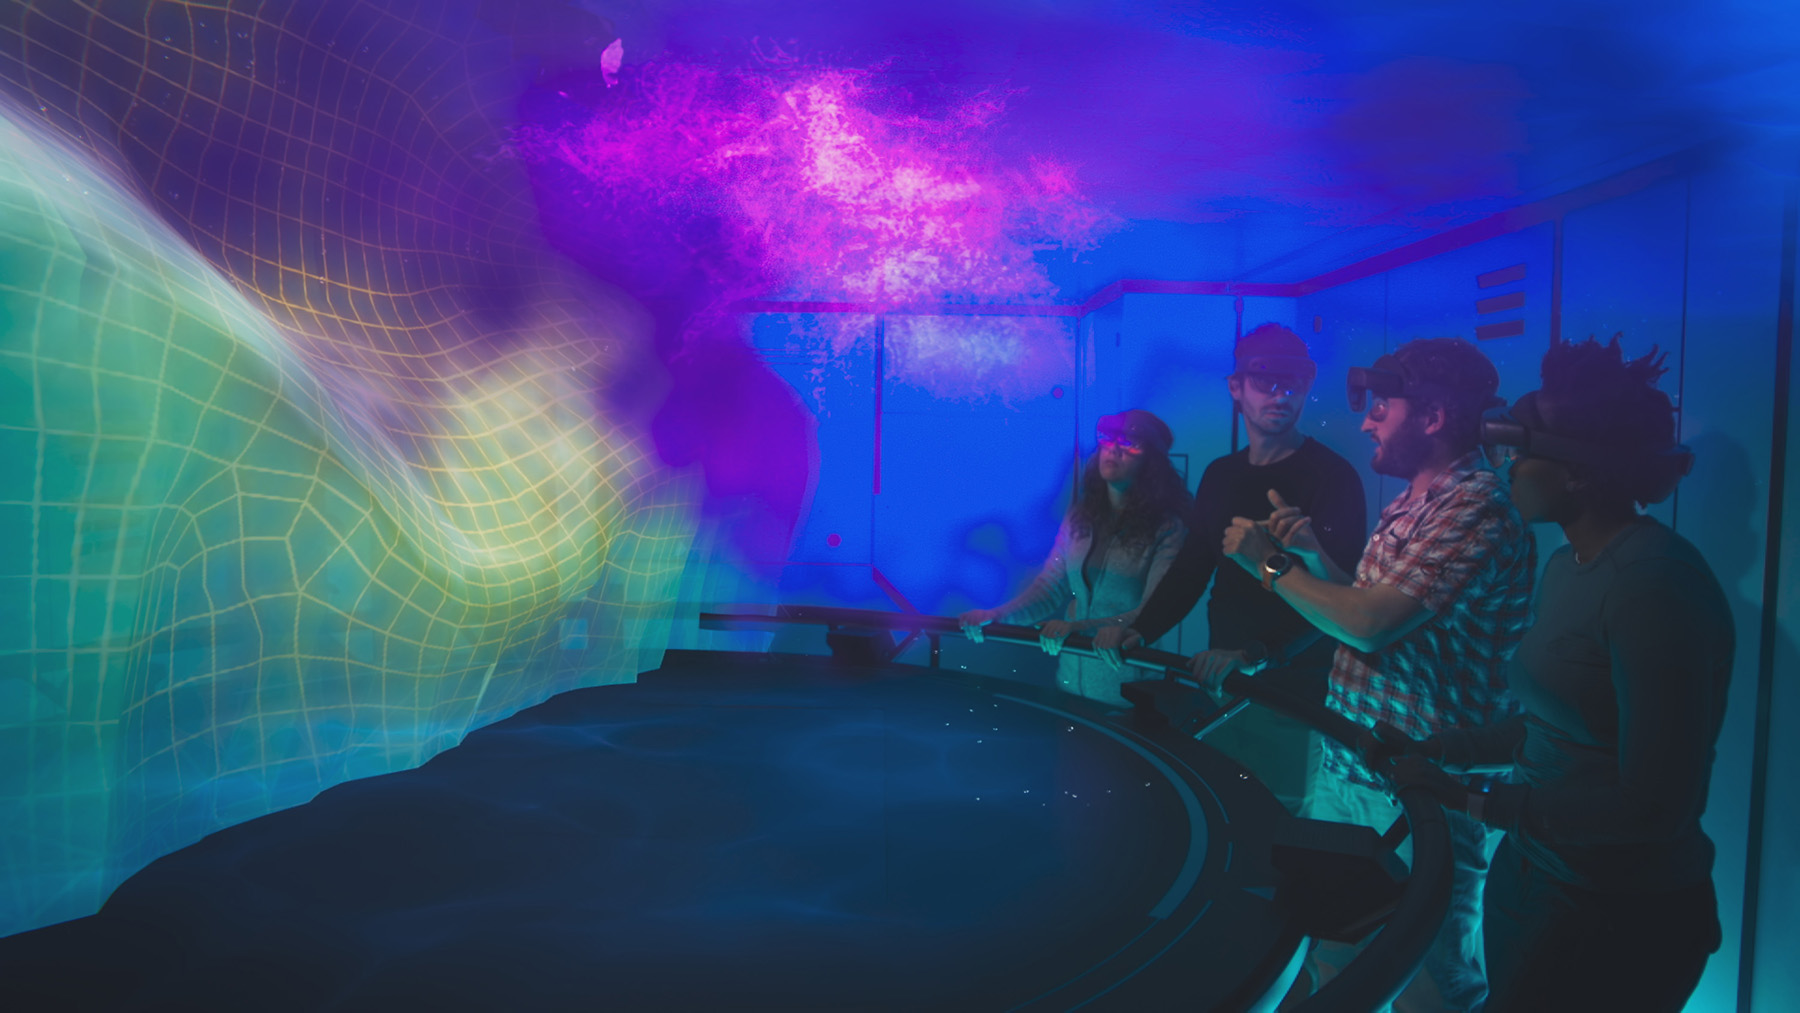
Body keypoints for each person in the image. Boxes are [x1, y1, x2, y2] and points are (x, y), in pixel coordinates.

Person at [1371, 336, 1731, 1012]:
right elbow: (1547, 722)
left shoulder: (1655, 588)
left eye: (1520, 454)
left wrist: (1473, 801)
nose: (1505, 469)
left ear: (1577, 473)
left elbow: (1656, 806)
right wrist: (1444, 749)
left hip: (1616, 913)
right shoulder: (1571, 563)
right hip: (1540, 878)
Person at [1229, 337, 1535, 1013]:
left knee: (1430, 979)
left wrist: (1271, 567)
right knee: (1333, 955)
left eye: (1380, 408)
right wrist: (1310, 553)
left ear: (1429, 417)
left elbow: (1370, 623)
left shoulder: (1475, 505)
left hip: (1423, 791)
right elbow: (1366, 620)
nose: (1366, 421)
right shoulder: (1411, 500)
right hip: (1353, 770)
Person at [1092, 322, 1366, 814]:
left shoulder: (1334, 478)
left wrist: (1259, 653)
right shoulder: (1222, 474)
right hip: (1223, 680)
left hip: (1294, 695)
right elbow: (1195, 565)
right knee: (1226, 815)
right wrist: (1141, 629)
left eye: (1293, 383)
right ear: (1236, 388)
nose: (1280, 395)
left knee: (1277, 823)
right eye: (1265, 382)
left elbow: (1344, 602)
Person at [959, 410, 1189, 705]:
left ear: (1153, 462)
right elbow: (1049, 588)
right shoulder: (1081, 517)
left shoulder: (1168, 528)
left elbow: (1153, 610)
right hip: (1069, 685)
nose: (1114, 449)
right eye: (1108, 440)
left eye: (1131, 443)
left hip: (1129, 692)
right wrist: (998, 616)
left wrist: (1077, 628)